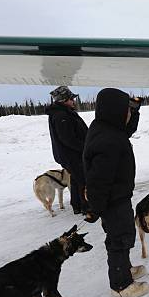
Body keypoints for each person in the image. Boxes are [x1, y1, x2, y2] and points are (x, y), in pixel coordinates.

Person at [83, 88, 149, 297]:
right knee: (119, 239)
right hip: (112, 199)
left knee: (123, 235)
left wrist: (136, 109)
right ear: (115, 111)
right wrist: (95, 208)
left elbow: (127, 129)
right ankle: (121, 285)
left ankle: (125, 268)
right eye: (126, 110)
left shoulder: (107, 128)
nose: (128, 114)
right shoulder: (108, 139)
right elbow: (98, 180)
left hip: (118, 196)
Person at [46, 86, 89, 214]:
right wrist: (85, 147)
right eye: (71, 99)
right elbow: (68, 139)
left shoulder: (64, 112)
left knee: (76, 180)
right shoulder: (61, 115)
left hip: (71, 154)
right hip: (72, 155)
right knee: (83, 180)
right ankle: (87, 208)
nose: (73, 101)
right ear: (64, 100)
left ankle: (77, 206)